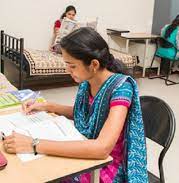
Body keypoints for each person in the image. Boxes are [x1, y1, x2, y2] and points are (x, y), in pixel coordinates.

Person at [3, 27, 148, 183]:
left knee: (45, 172)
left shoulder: (121, 89)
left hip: (108, 164)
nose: (68, 70)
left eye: (72, 66)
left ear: (94, 64)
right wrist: (47, 106)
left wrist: (33, 144)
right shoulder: (89, 83)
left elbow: (102, 148)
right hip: (88, 148)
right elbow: (85, 113)